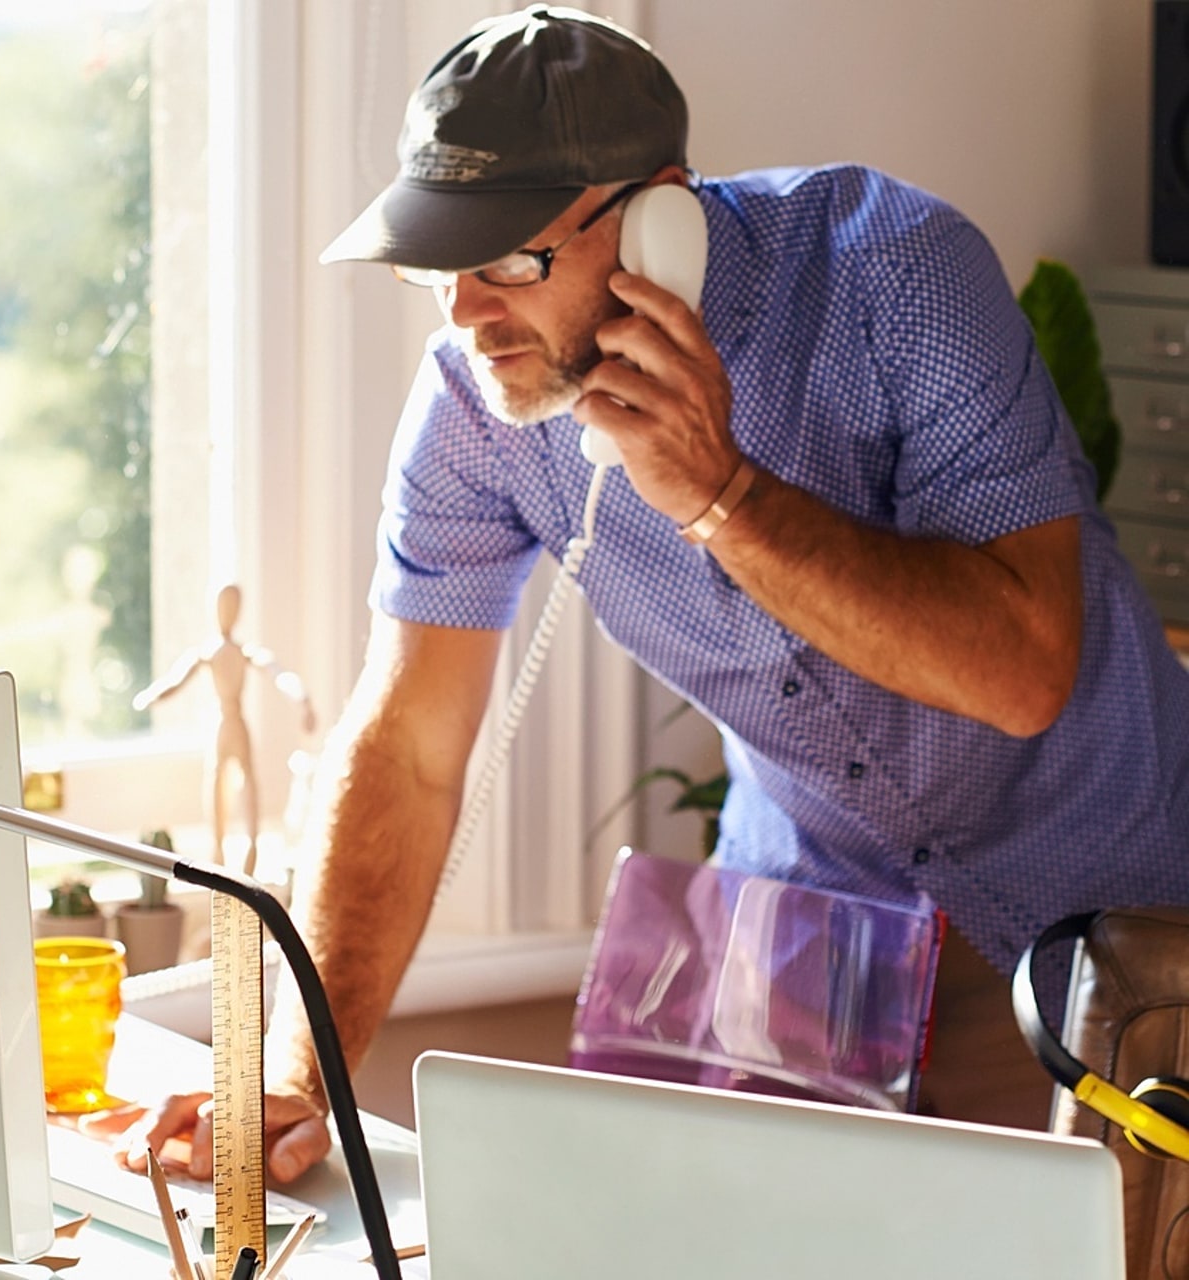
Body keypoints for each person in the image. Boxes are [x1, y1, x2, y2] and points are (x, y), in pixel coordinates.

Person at [125, 5, 1189, 1181]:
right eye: (440, 267)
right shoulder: (477, 409)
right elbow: (411, 744)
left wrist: (720, 494)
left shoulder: (893, 273)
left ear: (656, 221)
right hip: (810, 936)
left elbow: (1023, 669)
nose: (468, 313)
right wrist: (292, 1070)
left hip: (1110, 911)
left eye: (509, 262)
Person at [133, 583, 316, 876]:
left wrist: (303, 700)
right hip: (226, 725)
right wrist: (149, 698)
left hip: (233, 725)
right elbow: (174, 681)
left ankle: (250, 849)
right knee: (221, 779)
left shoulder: (243, 652)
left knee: (242, 781)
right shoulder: (211, 652)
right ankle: (219, 851)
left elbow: (280, 675)